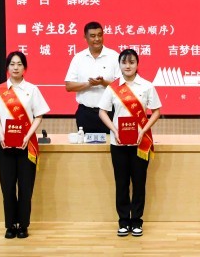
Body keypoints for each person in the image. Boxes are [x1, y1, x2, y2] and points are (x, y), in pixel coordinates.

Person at [0, 51, 50, 239]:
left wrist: (28, 136)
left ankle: (23, 225)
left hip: (26, 145)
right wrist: (2, 134)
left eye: (19, 64)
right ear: (7, 67)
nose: (15, 67)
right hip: (5, 144)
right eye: (12, 64)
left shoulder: (32, 90)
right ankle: (10, 225)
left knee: (25, 187)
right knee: (7, 187)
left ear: (24, 68)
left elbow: (38, 116)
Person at [98, 49, 161, 237]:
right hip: (118, 143)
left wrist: (143, 129)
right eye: (124, 62)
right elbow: (102, 112)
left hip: (141, 142)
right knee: (122, 182)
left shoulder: (147, 86)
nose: (128, 66)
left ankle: (137, 221)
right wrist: (114, 130)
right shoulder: (113, 88)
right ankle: (123, 221)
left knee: (139, 183)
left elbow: (156, 112)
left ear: (137, 64)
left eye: (131, 62)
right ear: (119, 65)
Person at [65, 21, 120, 134]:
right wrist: (89, 84)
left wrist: (103, 82)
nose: (97, 39)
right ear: (85, 37)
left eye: (100, 35)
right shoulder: (78, 58)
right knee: (85, 144)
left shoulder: (114, 56)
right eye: (93, 36)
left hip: (109, 112)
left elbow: (121, 86)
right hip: (85, 114)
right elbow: (69, 86)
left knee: (111, 143)